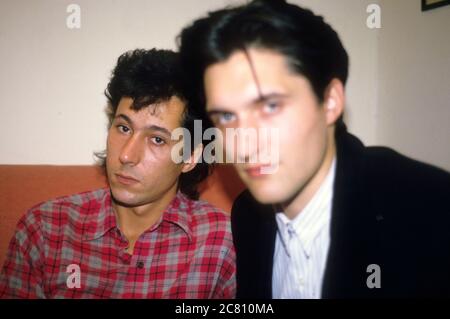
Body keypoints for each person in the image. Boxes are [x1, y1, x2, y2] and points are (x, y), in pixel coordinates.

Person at [178, 0, 450, 298]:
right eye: (227, 117)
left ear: (331, 101)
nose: (243, 144)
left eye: (270, 106)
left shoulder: (429, 209)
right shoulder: (247, 215)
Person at [0, 49, 236, 299]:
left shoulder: (222, 243)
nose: (126, 155)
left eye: (157, 139)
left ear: (189, 157)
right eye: (123, 128)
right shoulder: (45, 229)